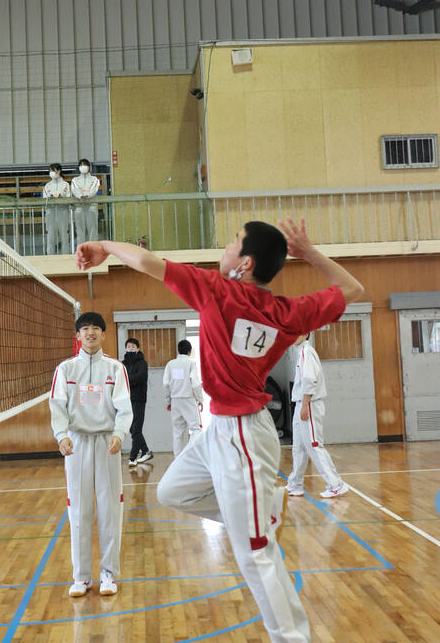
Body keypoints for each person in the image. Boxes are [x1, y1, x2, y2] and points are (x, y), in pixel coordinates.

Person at [75, 217, 363, 643]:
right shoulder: (287, 312)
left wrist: (104, 244)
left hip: (243, 436)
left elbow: (147, 262)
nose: (225, 247)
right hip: (220, 430)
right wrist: (309, 254)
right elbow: (352, 289)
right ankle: (260, 513)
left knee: (255, 555)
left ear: (245, 264)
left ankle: (292, 636)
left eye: (233, 241)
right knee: (171, 490)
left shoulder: (216, 290)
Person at [49, 312, 133, 597]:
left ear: (104, 334)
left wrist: (119, 434)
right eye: (85, 329)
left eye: (96, 328)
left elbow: (125, 407)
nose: (90, 333)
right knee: (79, 510)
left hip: (107, 443)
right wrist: (61, 436)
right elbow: (57, 405)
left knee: (110, 510)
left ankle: (108, 574)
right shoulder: (65, 369)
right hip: (77, 444)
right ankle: (81, 577)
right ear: (78, 336)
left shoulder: (115, 369)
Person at [287, 334, 348, 499]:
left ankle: (336, 484)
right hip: (300, 403)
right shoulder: (300, 352)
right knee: (299, 446)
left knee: (314, 445)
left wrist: (305, 404)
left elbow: (309, 380)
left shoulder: (307, 352)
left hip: (309, 404)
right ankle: (295, 484)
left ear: (306, 333)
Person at [163, 340, 203, 456]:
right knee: (196, 429)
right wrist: (200, 399)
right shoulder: (191, 364)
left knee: (177, 432)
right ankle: (193, 455)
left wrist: (168, 401)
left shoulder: (170, 364)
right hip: (188, 399)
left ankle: (178, 459)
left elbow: (165, 384)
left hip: (175, 400)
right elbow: (195, 384)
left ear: (178, 350)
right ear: (189, 351)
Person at [123, 339, 152, 466]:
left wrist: (127, 379)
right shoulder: (123, 364)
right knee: (131, 428)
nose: (130, 348)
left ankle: (132, 457)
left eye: (133, 346)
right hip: (126, 399)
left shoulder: (142, 363)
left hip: (139, 398)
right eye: (128, 346)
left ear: (138, 349)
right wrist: (130, 380)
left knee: (136, 428)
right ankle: (145, 451)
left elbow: (139, 378)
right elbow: (120, 378)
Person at [71, 158, 100, 244]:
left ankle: (93, 249)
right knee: (79, 230)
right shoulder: (75, 180)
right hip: (79, 207)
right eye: (81, 165)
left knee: (93, 229)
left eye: (85, 165)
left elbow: (94, 190)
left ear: (89, 167)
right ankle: (81, 249)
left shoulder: (94, 179)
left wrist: (88, 195)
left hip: (91, 206)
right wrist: (80, 195)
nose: (83, 167)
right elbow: (75, 190)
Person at [43, 163, 70, 255]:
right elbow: (45, 198)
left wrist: (60, 197)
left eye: (53, 171)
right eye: (50, 171)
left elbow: (68, 197)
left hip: (63, 212)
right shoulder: (47, 186)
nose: (51, 173)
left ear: (59, 171)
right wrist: (51, 197)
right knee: (50, 236)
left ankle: (66, 256)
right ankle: (49, 256)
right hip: (50, 213)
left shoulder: (66, 185)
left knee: (64, 236)